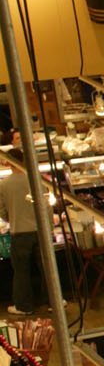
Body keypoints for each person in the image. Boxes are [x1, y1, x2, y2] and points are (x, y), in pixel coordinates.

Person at [3, 128, 43, 316]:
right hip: (40, 231)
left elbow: (1, 211)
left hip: (19, 232)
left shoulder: (3, 184)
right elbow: (46, 203)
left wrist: (12, 218)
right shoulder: (35, 179)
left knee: (21, 272)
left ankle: (23, 306)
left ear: (9, 162)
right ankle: (55, 302)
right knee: (47, 270)